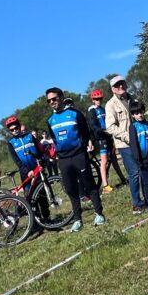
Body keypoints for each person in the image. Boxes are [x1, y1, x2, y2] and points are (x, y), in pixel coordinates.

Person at [45, 87, 105, 232]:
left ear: (61, 97)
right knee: (71, 189)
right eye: (49, 100)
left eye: (54, 98)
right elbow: (54, 139)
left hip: (79, 155)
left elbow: (85, 132)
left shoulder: (75, 114)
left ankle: (99, 214)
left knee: (89, 184)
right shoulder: (50, 120)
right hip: (64, 159)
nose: (52, 102)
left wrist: (85, 146)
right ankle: (78, 219)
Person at [105, 75, 146, 214]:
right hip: (125, 144)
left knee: (144, 168)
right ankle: (136, 203)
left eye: (122, 83)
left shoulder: (132, 98)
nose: (121, 87)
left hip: (139, 139)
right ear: (112, 89)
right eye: (117, 85)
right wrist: (126, 136)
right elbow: (110, 127)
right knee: (134, 172)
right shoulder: (110, 105)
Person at [4, 116, 50, 221]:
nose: (15, 131)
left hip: (36, 169)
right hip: (25, 173)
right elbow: (17, 161)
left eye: (16, 128)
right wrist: (27, 171)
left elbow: (39, 150)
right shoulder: (11, 143)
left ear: (20, 127)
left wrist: (42, 161)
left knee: (42, 194)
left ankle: (47, 218)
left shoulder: (29, 136)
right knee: (30, 197)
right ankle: (36, 221)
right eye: (12, 130)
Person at [88, 89, 127, 192]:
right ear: (93, 100)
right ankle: (105, 186)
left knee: (114, 160)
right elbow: (93, 126)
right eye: (96, 99)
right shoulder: (92, 111)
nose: (98, 100)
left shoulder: (103, 109)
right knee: (104, 162)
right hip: (101, 138)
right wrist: (102, 131)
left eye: (100, 98)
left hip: (109, 137)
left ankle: (123, 179)